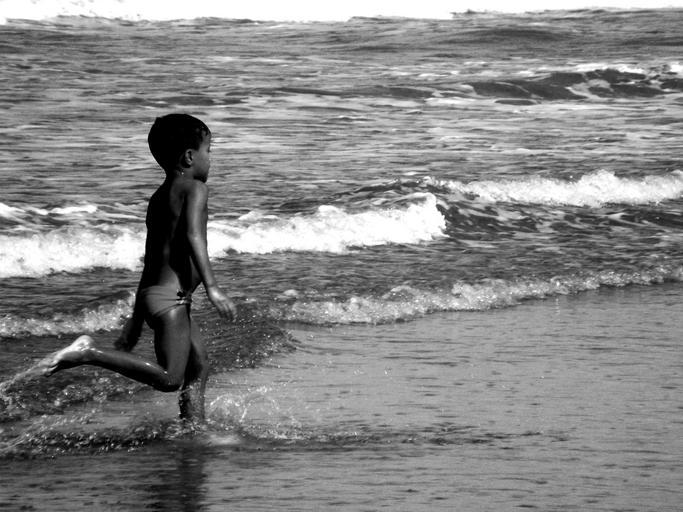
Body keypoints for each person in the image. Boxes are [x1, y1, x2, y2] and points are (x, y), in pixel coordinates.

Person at [44, 113, 237, 422]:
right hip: (172, 301)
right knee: (170, 378)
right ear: (189, 156)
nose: (210, 159)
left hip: (157, 296)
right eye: (208, 150)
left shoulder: (158, 198)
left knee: (199, 364)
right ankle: (89, 353)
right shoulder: (196, 189)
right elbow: (194, 236)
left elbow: (152, 262)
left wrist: (136, 320)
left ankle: (193, 427)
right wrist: (213, 288)